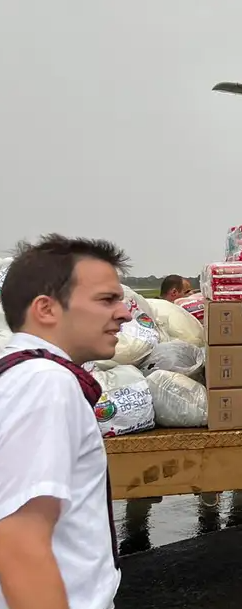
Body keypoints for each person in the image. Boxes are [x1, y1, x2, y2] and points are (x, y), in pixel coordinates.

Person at [0, 235, 133, 609]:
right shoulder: (46, 382)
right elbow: (19, 540)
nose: (125, 313)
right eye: (107, 300)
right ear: (46, 309)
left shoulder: (19, 375)